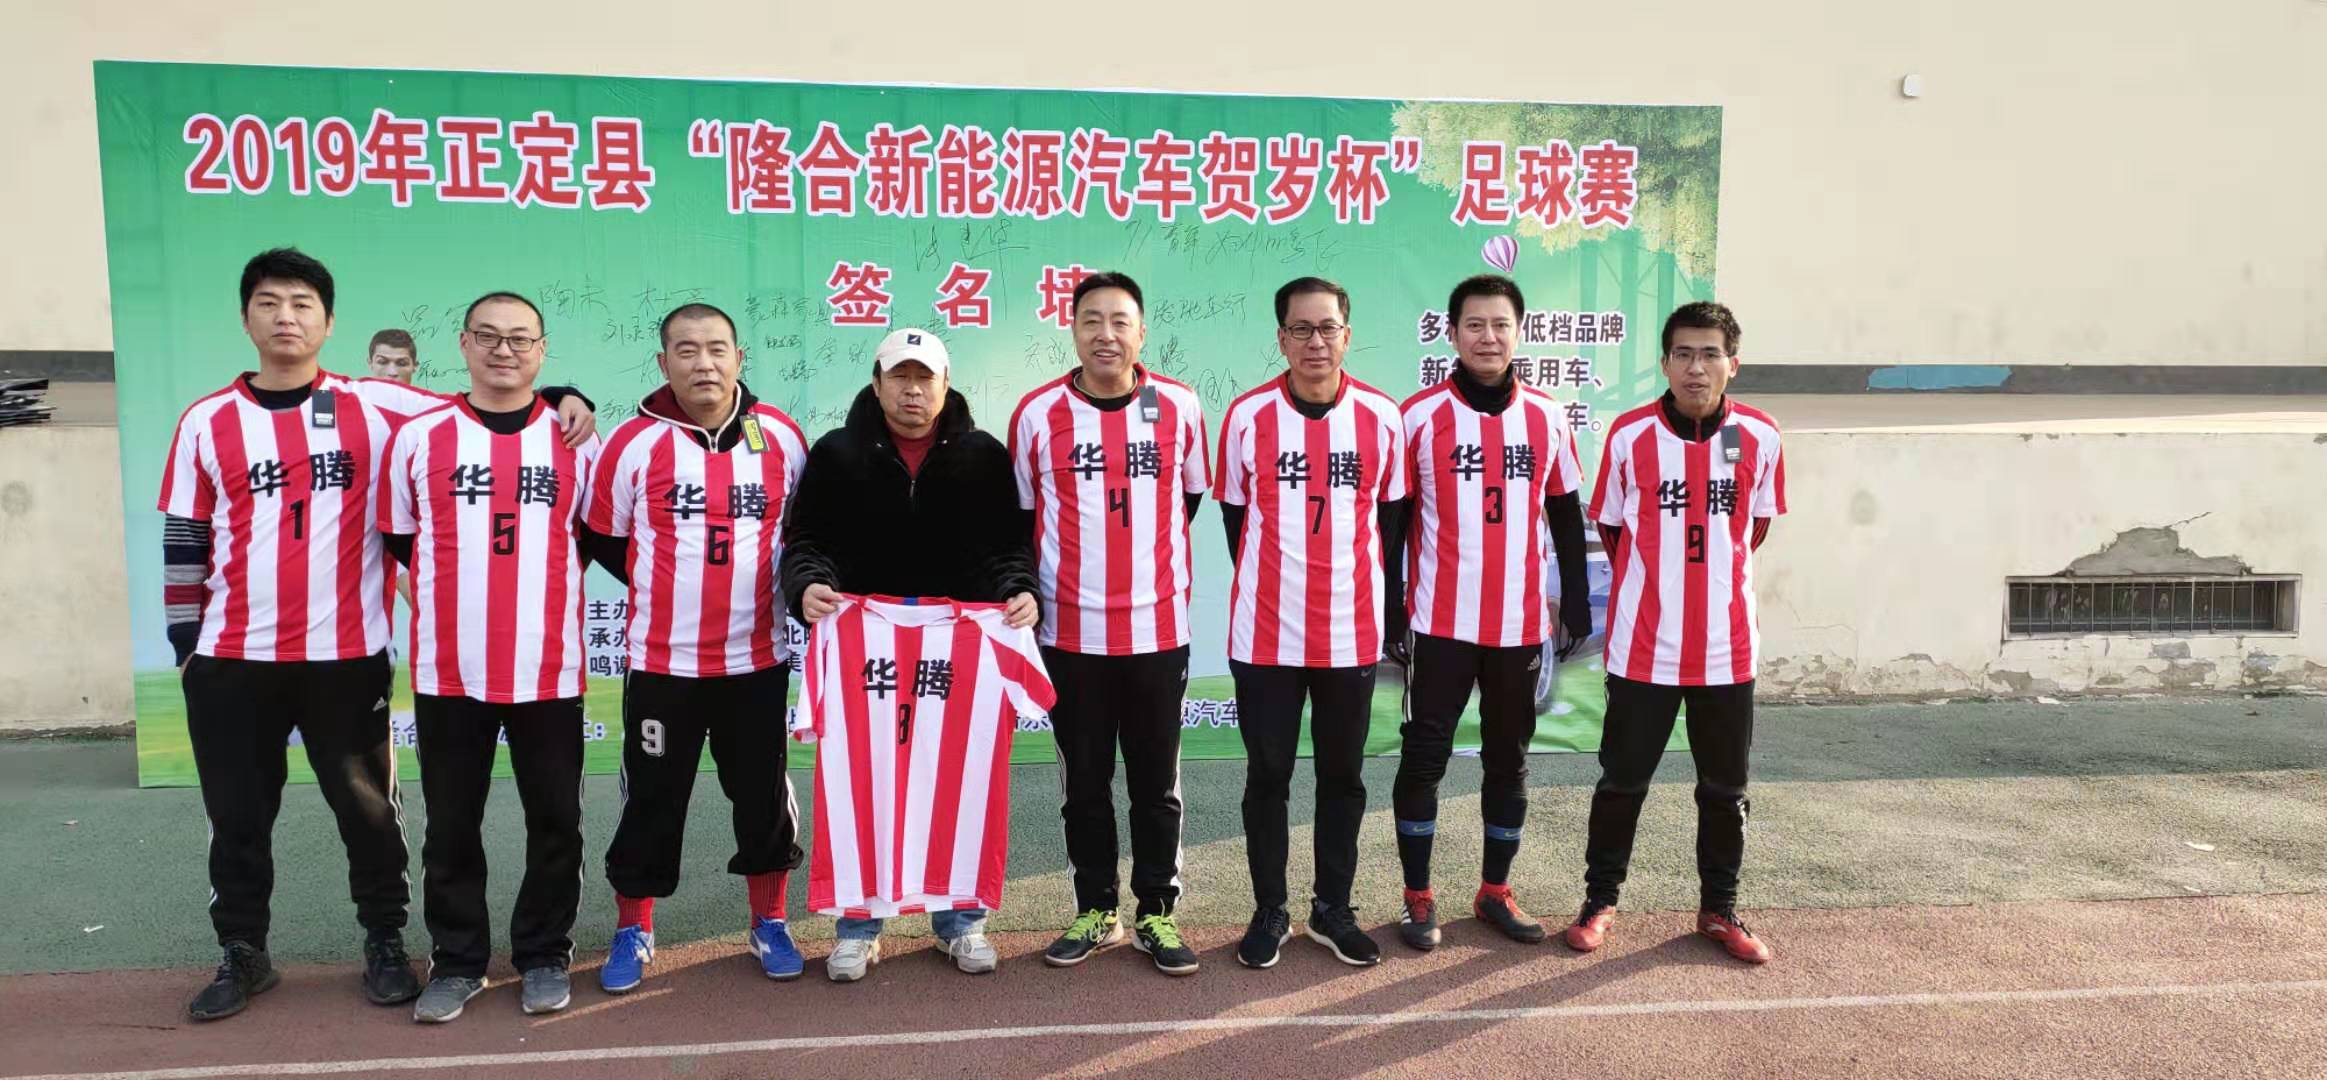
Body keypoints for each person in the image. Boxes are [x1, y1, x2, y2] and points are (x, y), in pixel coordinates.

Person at [159, 249, 592, 1023]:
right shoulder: (206, 419)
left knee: (369, 814)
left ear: (329, 322)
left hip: (346, 655)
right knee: (237, 816)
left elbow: (493, 400)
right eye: (269, 302)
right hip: (231, 658)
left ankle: (386, 942)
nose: (286, 317)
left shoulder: (380, 405)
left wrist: (563, 394)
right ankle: (243, 951)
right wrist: (185, 642)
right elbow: (185, 534)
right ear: (246, 317)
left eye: (302, 304)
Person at [780, 328, 1038, 981]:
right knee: (861, 784)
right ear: (877, 383)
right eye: (900, 376)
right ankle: (857, 924)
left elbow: (1008, 546)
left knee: (958, 783)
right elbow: (806, 540)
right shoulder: (837, 453)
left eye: (925, 377)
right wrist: (807, 584)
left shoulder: (983, 455)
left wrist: (1019, 590)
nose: (913, 390)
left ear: (946, 385)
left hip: (960, 650)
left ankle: (961, 921)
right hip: (865, 646)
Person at [380, 292, 609, 1021]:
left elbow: (596, 536)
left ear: (541, 350)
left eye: (519, 339)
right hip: (450, 671)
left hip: (549, 668)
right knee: (452, 826)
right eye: (488, 336)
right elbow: (400, 538)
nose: (503, 350)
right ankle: (458, 962)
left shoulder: (576, 440)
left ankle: (543, 954)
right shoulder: (420, 438)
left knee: (556, 822)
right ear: (463, 344)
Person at [587, 304, 813, 993]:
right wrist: (670, 587)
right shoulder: (632, 443)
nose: (703, 363)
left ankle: (770, 921)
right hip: (663, 666)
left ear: (739, 358)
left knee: (762, 799)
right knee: (651, 800)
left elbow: (802, 536)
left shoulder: (781, 437)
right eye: (686, 351)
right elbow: (606, 538)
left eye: (717, 349)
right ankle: (634, 928)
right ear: (664, 363)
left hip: (755, 663)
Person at [1562, 301, 1786, 965]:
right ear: (1663, 363)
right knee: (1621, 783)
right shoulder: (1630, 435)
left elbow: (1753, 530)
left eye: (1710, 354)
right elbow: (1611, 529)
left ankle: (1719, 908)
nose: (1696, 367)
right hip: (1643, 649)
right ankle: (1600, 899)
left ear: (1732, 364)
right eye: (1683, 354)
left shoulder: (1760, 435)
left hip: (1727, 650)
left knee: (1724, 790)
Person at [1008, 272, 1209, 976]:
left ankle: (1156, 910)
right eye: (1091, 320)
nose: (1106, 334)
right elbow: (1024, 519)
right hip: (1069, 638)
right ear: (1071, 330)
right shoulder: (1038, 414)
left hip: (1157, 633)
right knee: (1085, 785)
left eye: (1120, 321)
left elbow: (1188, 499)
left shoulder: (1179, 406)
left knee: (1156, 784)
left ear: (1141, 332)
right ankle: (1096, 908)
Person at [1388, 274, 1593, 950]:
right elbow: (1391, 524)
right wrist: (1390, 610)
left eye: (1500, 324)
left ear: (1519, 332)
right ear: (1451, 333)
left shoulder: (1546, 415)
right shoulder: (1418, 416)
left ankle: (1494, 892)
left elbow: (1564, 511)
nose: (1487, 337)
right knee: (1424, 760)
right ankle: (1417, 898)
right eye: (1473, 325)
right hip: (1439, 625)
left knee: (1508, 761)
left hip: (1517, 628)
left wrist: (1576, 601)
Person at [1215, 277, 1408, 970]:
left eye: (1327, 328)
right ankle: (1270, 909)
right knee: (1267, 775)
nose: (1315, 341)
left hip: (1349, 632)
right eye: (1301, 329)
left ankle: (1332, 909)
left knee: (1342, 776)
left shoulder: (1382, 417)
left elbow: (1391, 524)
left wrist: (1386, 611)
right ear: (1281, 338)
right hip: (1264, 635)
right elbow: (1235, 519)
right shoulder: (1247, 417)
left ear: (1347, 336)